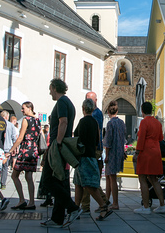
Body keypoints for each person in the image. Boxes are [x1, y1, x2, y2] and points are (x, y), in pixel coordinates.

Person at [41, 78, 82, 229]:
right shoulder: (68, 102)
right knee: (59, 181)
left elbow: (63, 122)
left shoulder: (61, 102)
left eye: (50, 89)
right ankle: (57, 218)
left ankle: (73, 208)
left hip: (58, 146)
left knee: (48, 180)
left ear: (53, 87)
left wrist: (57, 143)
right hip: (61, 146)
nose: (49, 92)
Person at [74, 99, 113, 221]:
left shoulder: (83, 121)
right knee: (78, 184)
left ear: (83, 108)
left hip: (84, 156)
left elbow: (76, 137)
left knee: (89, 185)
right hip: (91, 155)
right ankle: (75, 209)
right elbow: (97, 140)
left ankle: (103, 207)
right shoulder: (95, 123)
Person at [133, 102, 165, 215]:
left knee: (142, 178)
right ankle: (162, 205)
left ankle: (146, 206)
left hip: (146, 151)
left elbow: (141, 138)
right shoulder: (158, 122)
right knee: (154, 179)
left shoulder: (144, 122)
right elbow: (161, 138)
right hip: (156, 151)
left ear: (142, 111)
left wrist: (137, 152)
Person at [6, 102, 41, 210]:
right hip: (34, 150)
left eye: (23, 108)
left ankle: (21, 200)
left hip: (26, 149)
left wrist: (11, 150)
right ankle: (31, 202)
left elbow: (20, 137)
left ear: (29, 108)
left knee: (14, 175)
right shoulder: (37, 120)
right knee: (29, 177)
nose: (22, 110)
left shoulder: (26, 120)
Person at [80, 91, 109, 213]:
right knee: (89, 179)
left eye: (90, 100)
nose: (88, 102)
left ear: (95, 101)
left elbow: (94, 133)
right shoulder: (96, 113)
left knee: (88, 179)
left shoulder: (94, 115)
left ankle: (88, 205)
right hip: (94, 148)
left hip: (93, 149)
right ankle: (102, 201)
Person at [103, 101, 126, 210]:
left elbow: (108, 141)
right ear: (117, 111)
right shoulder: (121, 123)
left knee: (112, 177)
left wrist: (106, 155)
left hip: (112, 153)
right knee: (109, 176)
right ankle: (106, 200)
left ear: (108, 111)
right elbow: (123, 138)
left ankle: (115, 203)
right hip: (119, 152)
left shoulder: (110, 124)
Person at [0, 110, 17, 190]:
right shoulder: (11, 125)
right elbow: (14, 138)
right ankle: (3, 183)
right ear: (7, 117)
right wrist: (14, 148)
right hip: (8, 148)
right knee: (5, 167)